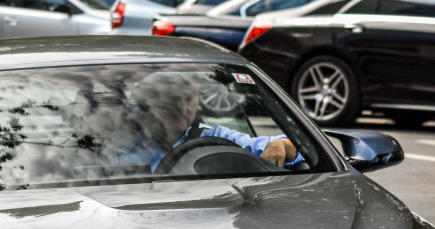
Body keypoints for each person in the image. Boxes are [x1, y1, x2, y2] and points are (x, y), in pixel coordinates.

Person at [116, 72, 301, 170]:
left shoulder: (216, 137)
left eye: (189, 99)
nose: (182, 107)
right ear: (149, 102)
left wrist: (280, 144)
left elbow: (298, 147)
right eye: (173, 99)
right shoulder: (125, 146)